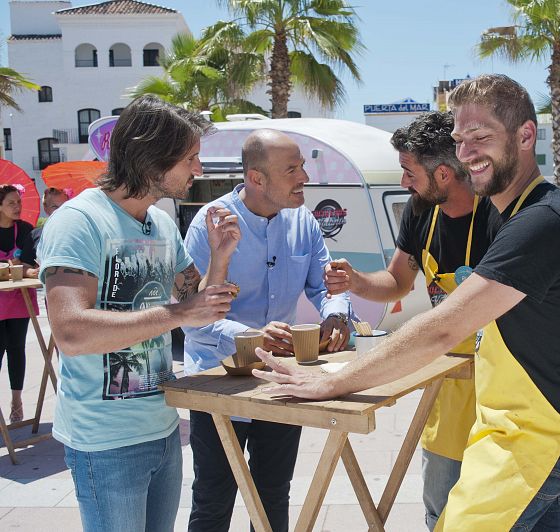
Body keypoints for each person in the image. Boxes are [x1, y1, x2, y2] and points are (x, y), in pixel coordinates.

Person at [252, 74, 560, 531]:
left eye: (480, 138)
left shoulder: (541, 221)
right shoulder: (510, 211)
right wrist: (360, 285)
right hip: (516, 420)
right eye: (461, 140)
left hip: (543, 433)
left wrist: (330, 384)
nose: (465, 153)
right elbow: (405, 285)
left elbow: (443, 327)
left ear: (525, 136)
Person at [37, 95, 241, 532]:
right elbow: (72, 331)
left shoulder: (161, 222)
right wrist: (179, 311)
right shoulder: (78, 222)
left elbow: (196, 308)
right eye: (190, 159)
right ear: (152, 161)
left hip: (162, 427)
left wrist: (220, 260)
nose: (198, 170)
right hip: (105, 441)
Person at [323, 111, 492, 530]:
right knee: (441, 505)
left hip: (504, 382)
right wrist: (357, 281)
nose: (404, 183)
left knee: (500, 509)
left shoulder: (498, 214)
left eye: (409, 171)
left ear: (444, 175)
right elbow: (398, 281)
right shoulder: (419, 212)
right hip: (448, 381)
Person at [182, 128, 350, 532]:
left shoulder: (305, 223)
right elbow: (190, 316)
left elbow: (327, 287)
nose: (304, 178)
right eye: (292, 169)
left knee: (273, 493)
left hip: (281, 382)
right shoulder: (210, 226)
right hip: (217, 380)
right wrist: (250, 336)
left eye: (303, 167)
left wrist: (337, 314)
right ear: (257, 178)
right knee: (212, 498)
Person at [0, 183, 40, 423]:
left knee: (16, 349)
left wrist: (22, 268)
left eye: (19, 202)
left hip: (19, 300)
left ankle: (16, 399)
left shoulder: (26, 230)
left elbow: (33, 266)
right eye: (11, 203)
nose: (17, 207)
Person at [31, 187, 71, 253]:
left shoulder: (80, 232)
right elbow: (27, 263)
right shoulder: (36, 236)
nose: (60, 210)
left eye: (64, 206)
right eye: (55, 207)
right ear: (45, 208)